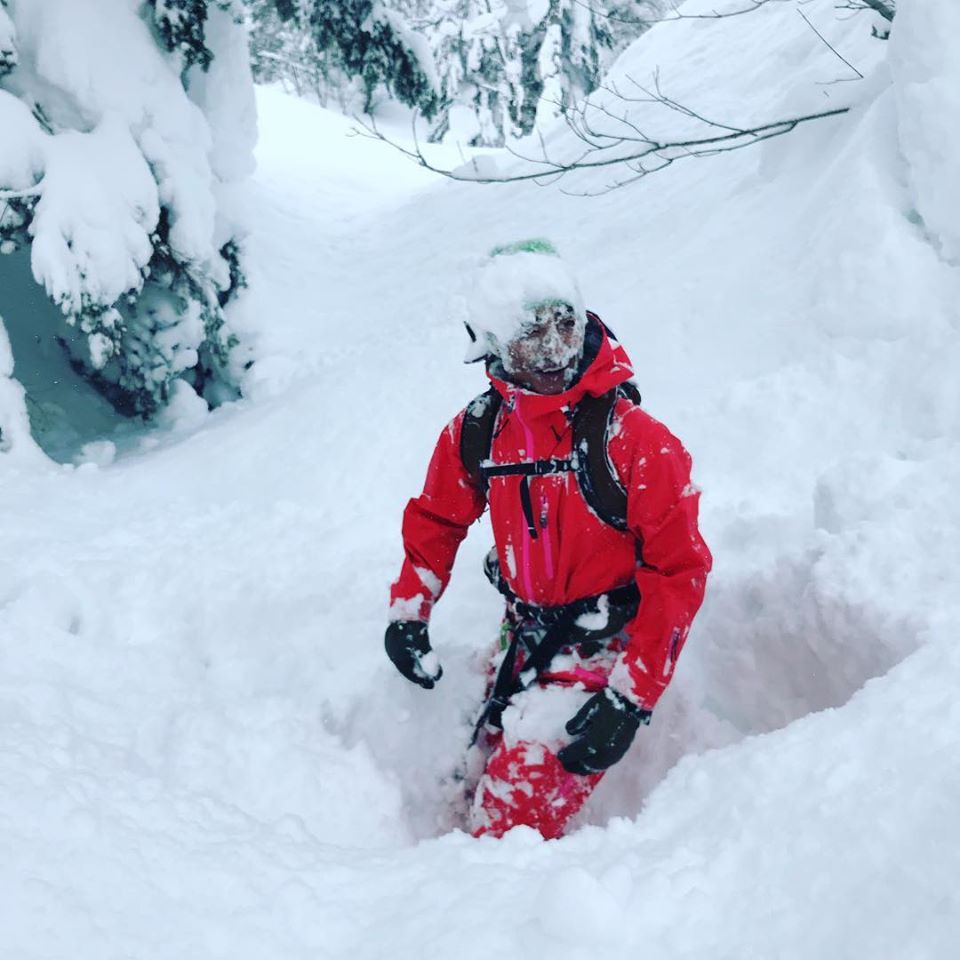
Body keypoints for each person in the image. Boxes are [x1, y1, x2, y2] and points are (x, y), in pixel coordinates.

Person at [385, 239, 712, 840]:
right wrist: (410, 609)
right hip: (523, 630)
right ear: (493, 344)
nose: (556, 349)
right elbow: (437, 518)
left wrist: (629, 699)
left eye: (567, 324)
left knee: (509, 825)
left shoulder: (635, 441)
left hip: (606, 643)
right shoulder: (480, 430)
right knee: (467, 770)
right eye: (533, 334)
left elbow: (679, 572)